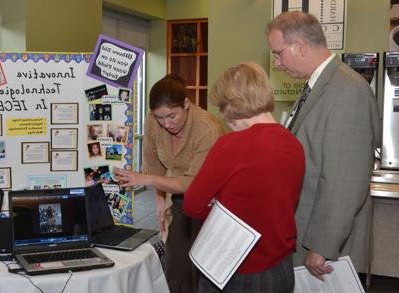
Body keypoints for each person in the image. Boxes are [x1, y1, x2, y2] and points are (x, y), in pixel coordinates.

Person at [267, 11, 380, 280]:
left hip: (325, 247)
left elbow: (345, 180)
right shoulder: (316, 87)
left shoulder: (348, 89)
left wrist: (322, 245)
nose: (276, 62)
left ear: (300, 46)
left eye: (278, 53)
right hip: (305, 231)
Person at [184, 62, 305, 292]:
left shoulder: (232, 144)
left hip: (235, 268)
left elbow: (192, 204)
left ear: (231, 107)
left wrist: (217, 204)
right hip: (281, 267)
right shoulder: (294, 143)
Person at [114, 74, 224, 293]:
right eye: (160, 118)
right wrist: (160, 199)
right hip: (180, 198)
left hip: (212, 203)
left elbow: (192, 183)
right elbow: (153, 162)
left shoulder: (207, 128)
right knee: (175, 267)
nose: (166, 124)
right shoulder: (154, 121)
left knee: (202, 269)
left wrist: (144, 179)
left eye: (172, 116)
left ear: (186, 104)